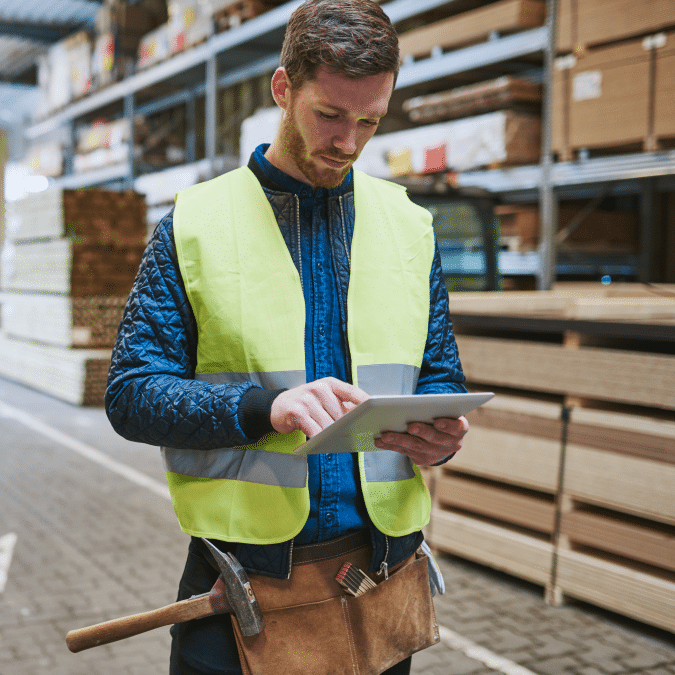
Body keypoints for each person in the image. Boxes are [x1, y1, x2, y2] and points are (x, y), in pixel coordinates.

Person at [105, 1, 469, 673]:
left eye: (369, 120)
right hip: (242, 589)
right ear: (283, 88)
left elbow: (437, 370)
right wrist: (261, 407)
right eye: (329, 115)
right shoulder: (195, 224)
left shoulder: (408, 226)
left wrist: (438, 430)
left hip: (380, 579)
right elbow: (130, 394)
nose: (348, 141)